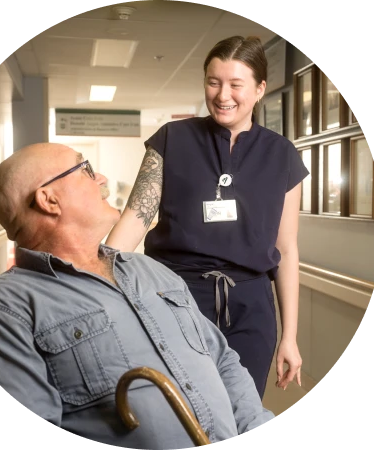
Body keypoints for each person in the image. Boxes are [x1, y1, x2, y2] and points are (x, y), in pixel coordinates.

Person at [0, 142, 277, 449]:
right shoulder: (0, 312)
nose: (102, 178)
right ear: (48, 200)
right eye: (86, 169)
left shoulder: (150, 271)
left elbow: (222, 359)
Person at [105, 35, 310, 399]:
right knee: (176, 410)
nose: (222, 95)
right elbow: (135, 218)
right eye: (213, 82)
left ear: (260, 89)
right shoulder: (171, 139)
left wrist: (289, 337)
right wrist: (97, 287)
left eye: (235, 84)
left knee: (239, 414)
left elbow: (286, 249)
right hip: (174, 297)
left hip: (251, 308)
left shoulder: (283, 155)